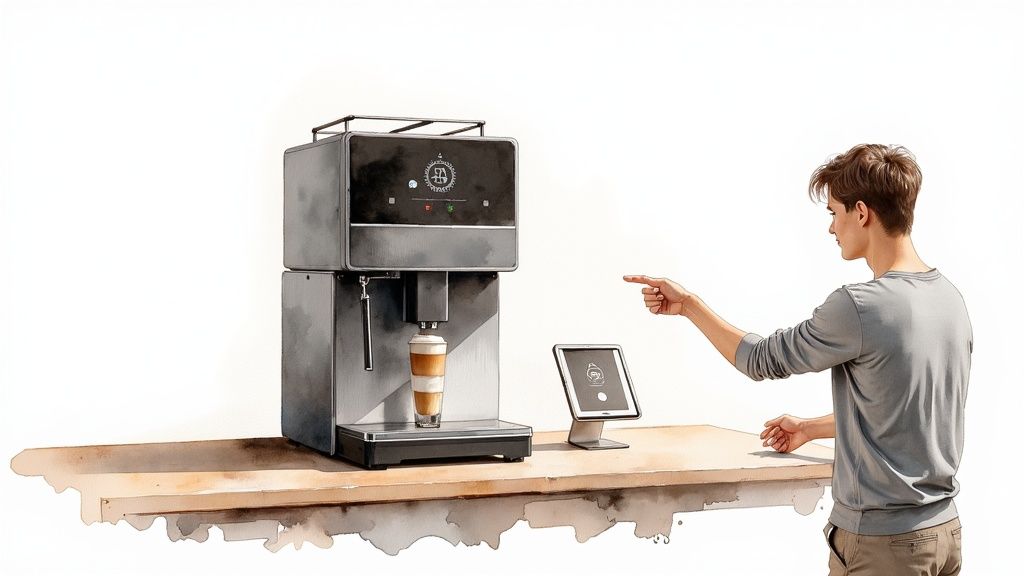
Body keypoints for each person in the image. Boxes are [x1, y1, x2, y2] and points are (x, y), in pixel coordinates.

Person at [624, 144, 971, 576]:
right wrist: (809, 428)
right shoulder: (949, 299)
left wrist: (690, 305)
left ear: (861, 213)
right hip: (943, 535)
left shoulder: (861, 307)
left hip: (884, 545)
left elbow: (760, 359)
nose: (831, 228)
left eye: (833, 213)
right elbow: (907, 408)